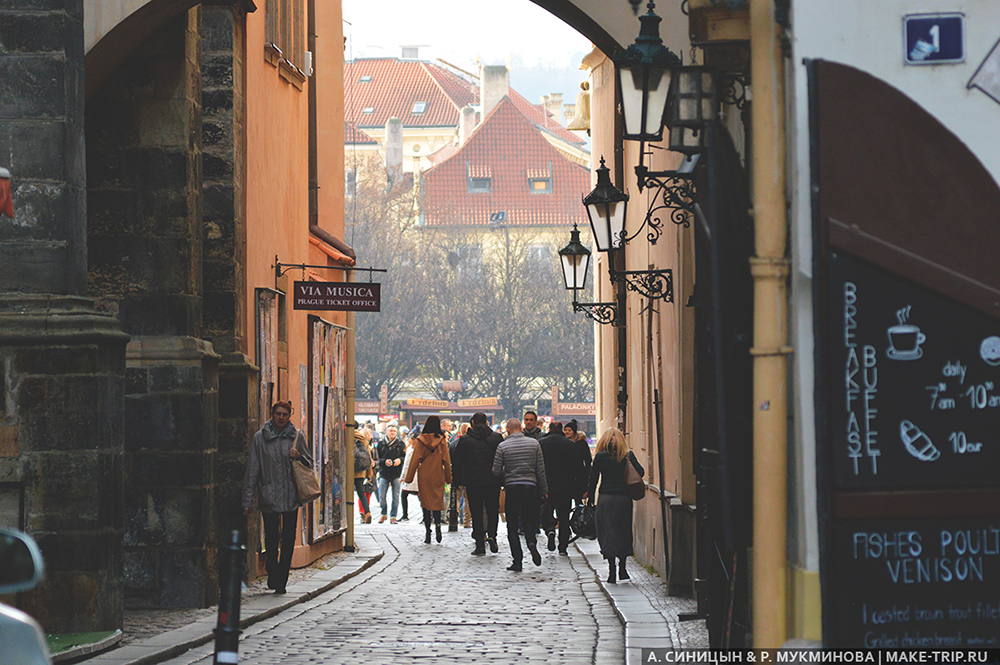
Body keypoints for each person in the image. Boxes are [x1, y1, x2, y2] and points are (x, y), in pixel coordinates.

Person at [242, 401, 313, 594]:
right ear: (272, 414)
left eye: (284, 414)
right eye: (278, 414)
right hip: (269, 495)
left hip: (291, 495)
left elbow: (310, 463)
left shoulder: (297, 437)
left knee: (288, 539)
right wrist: (247, 500)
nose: (281, 417)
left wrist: (298, 456)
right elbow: (252, 470)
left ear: (289, 415)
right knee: (272, 539)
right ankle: (272, 570)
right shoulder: (260, 438)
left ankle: (282, 580)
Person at [586, 428, 644, 583]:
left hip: (605, 499)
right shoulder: (627, 456)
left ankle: (612, 570)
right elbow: (641, 472)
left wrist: (590, 499)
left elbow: (593, 479)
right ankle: (623, 568)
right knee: (623, 531)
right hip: (623, 500)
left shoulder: (600, 457)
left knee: (607, 533)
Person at [492, 417, 547, 571]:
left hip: (512, 487)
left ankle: (517, 560)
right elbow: (540, 470)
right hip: (531, 487)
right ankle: (531, 542)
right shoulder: (534, 444)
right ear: (521, 428)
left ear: (508, 429)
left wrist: (508, 473)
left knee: (513, 524)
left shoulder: (503, 446)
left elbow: (496, 471)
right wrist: (544, 490)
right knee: (529, 519)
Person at [453, 412, 502, 555]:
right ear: (486, 422)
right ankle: (492, 535)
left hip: (473, 481)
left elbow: (458, 463)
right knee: (493, 509)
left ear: (473, 422)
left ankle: (480, 544)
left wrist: (458, 481)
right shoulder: (496, 438)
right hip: (493, 480)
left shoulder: (466, 440)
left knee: (476, 511)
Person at [403, 416, 452, 544]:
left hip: (424, 475)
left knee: (425, 503)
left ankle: (428, 532)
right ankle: (438, 527)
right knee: (436, 502)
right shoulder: (442, 440)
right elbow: (446, 461)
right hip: (438, 473)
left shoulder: (420, 440)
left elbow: (414, 460)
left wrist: (408, 478)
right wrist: (448, 477)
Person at [539, 421, 585, 555]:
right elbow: (579, 468)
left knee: (546, 512)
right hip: (565, 486)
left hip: (546, 485)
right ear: (561, 431)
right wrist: (580, 488)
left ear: (549, 429)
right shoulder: (570, 445)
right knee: (564, 517)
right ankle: (563, 546)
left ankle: (550, 530)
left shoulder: (541, 443)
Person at [376, 425, 405, 523]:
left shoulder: (401, 444)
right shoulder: (380, 444)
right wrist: (384, 461)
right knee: (381, 496)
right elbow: (377, 459)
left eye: (394, 431)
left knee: (395, 496)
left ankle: (393, 516)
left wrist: (399, 460)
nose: (392, 433)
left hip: (396, 473)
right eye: (390, 431)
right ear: (386, 432)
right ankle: (383, 514)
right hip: (384, 473)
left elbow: (404, 458)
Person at [564, 420, 593, 506]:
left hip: (579, 475)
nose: (567, 432)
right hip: (567, 475)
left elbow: (588, 459)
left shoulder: (581, 443)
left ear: (574, 431)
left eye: (569, 430)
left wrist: (587, 474)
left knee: (578, 500)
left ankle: (578, 518)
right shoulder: (564, 443)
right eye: (565, 430)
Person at [353, 428, 375, 523]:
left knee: (345, 495)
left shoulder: (347, 437)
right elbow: (369, 458)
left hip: (349, 471)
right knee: (361, 493)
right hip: (361, 472)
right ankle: (367, 512)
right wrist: (369, 474)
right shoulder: (364, 440)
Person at [399, 434, 419, 522]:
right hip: (416, 476)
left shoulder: (412, 450)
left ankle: (405, 515)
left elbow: (406, 465)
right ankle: (425, 516)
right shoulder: (413, 449)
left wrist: (403, 476)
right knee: (420, 496)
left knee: (404, 494)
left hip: (411, 476)